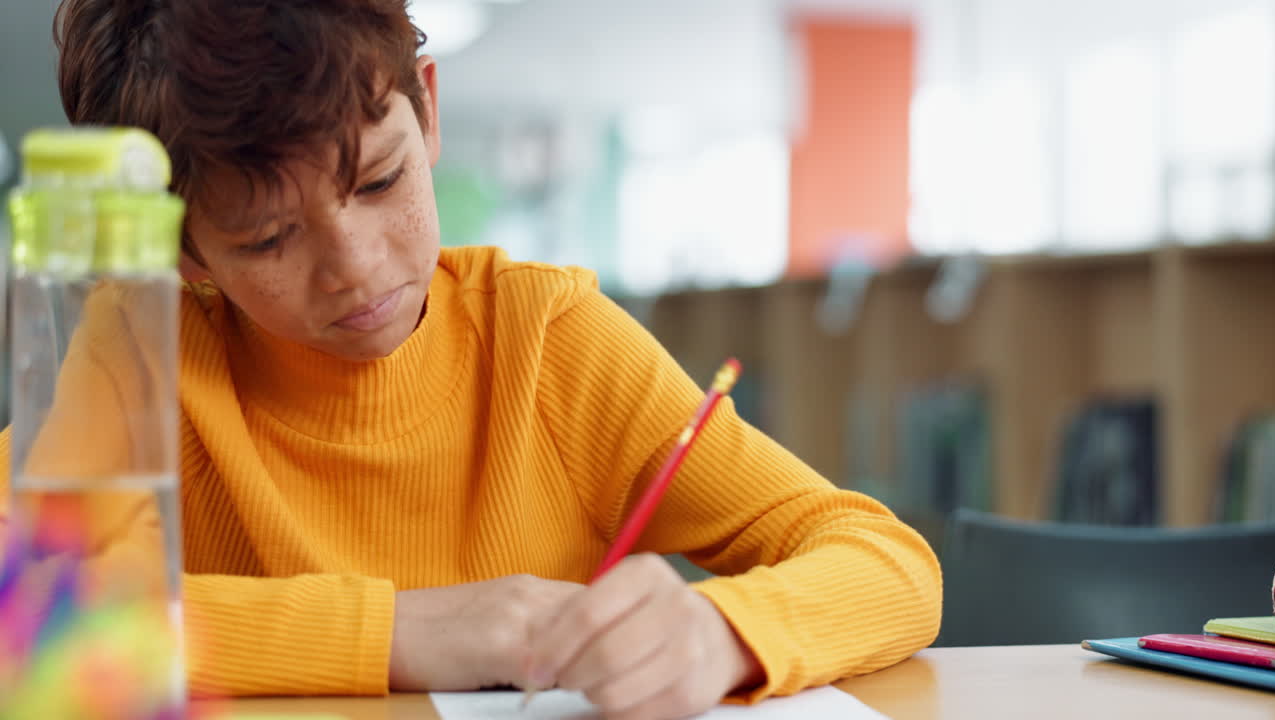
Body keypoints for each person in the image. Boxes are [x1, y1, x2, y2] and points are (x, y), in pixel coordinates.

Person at [2, 1, 942, 717]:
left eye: (380, 181)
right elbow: (25, 616)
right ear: (185, 250)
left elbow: (890, 563)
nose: (356, 268)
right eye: (266, 240)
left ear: (430, 112)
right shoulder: (138, 345)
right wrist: (401, 634)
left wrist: (724, 633)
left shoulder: (548, 342)